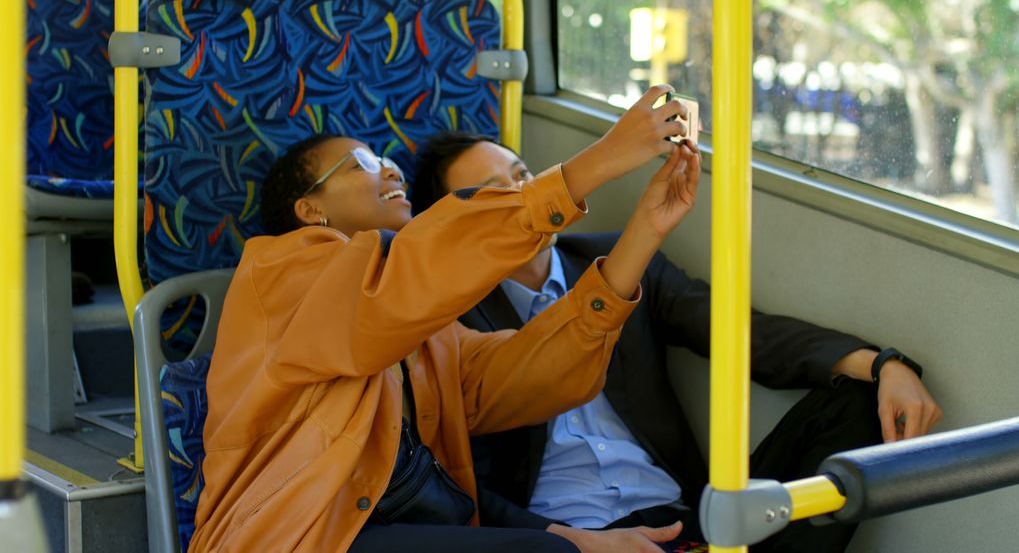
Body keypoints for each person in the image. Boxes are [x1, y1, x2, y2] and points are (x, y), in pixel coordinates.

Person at [189, 86, 706, 552]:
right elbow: (399, 286)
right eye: (360, 165)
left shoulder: (436, 332)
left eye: (386, 159)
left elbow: (536, 374)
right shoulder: (278, 271)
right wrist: (602, 160)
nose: (389, 169)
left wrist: (643, 233)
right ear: (309, 210)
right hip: (296, 534)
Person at [410, 131, 944, 552]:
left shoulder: (616, 258)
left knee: (853, 401)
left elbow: (740, 332)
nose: (525, 196)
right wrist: (569, 543)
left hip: (685, 517)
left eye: (525, 176)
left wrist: (881, 365)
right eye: (498, 192)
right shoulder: (442, 323)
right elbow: (454, 480)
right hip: (567, 535)